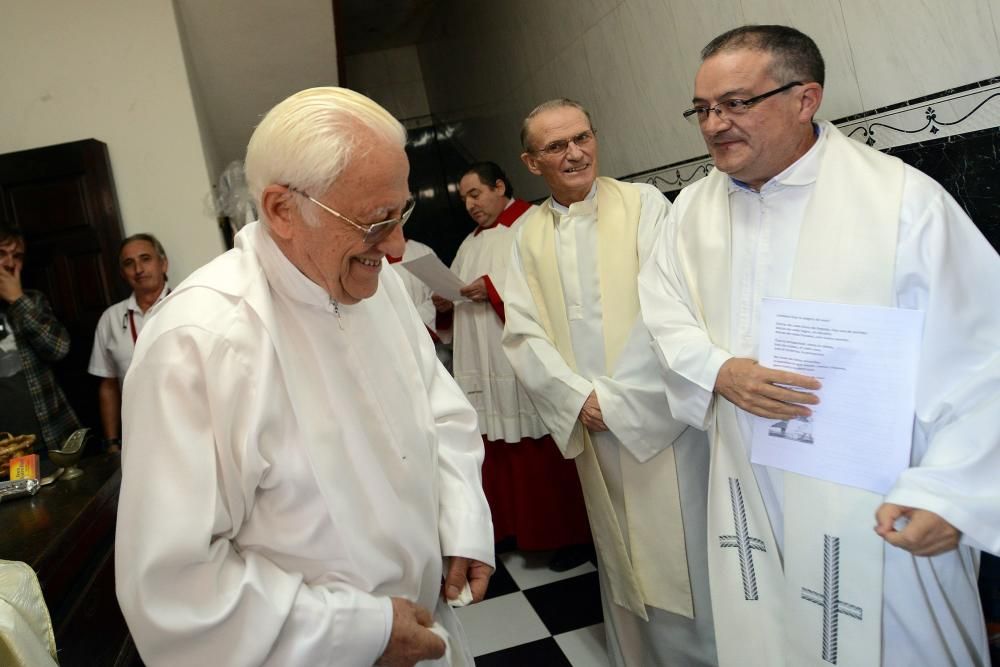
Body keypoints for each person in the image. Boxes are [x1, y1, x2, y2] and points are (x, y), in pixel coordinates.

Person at [638, 25, 1000, 667]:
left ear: (806, 99)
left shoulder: (900, 203)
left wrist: (954, 492)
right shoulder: (691, 210)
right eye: (702, 108)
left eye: (736, 103)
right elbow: (663, 311)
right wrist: (719, 369)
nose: (714, 123)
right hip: (746, 483)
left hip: (876, 495)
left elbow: (984, 358)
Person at [115, 87, 495, 667]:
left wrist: (461, 520)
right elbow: (174, 591)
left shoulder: (378, 282)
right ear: (282, 211)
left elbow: (439, 411)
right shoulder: (197, 344)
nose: (395, 247)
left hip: (428, 636)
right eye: (375, 222)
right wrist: (360, 631)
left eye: (402, 213)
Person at [502, 99, 717, 665]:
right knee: (620, 553)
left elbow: (668, 309)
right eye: (556, 146)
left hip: (660, 421)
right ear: (531, 162)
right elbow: (523, 333)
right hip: (592, 425)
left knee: (683, 557)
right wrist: (578, 400)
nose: (575, 153)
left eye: (583, 137)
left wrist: (620, 400)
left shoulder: (644, 204)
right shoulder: (524, 234)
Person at [442, 161, 591, 567]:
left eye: (476, 194)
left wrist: (490, 289)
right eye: (464, 199)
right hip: (482, 357)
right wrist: (446, 300)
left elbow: (549, 288)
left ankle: (570, 536)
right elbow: (456, 288)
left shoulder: (531, 223)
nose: (470, 205)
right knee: (494, 443)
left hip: (519, 362)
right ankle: (509, 528)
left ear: (500, 187)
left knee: (539, 444)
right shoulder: (470, 242)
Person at [0, 226, 80, 452]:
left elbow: (59, 348)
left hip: (49, 441)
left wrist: (17, 300)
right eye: (1, 254)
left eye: (17, 256)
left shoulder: (33, 301)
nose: (9, 264)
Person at [88, 233, 170, 452]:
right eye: (129, 263)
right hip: (139, 437)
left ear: (163, 264)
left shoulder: (188, 305)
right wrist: (112, 442)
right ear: (123, 274)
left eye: (145, 259)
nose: (139, 269)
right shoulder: (111, 319)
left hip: (192, 428)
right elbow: (108, 385)